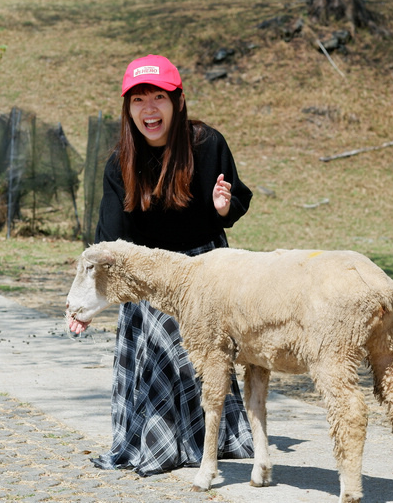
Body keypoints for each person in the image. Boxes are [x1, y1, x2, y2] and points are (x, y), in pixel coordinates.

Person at [69, 54, 254, 476]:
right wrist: (87, 301)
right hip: (148, 276)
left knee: (204, 354)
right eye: (138, 99)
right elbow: (110, 243)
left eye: (158, 97)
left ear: (178, 101)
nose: (148, 108)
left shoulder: (207, 145)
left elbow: (235, 200)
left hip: (203, 272)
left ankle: (211, 438)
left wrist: (223, 208)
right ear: (127, 108)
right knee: (156, 329)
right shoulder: (120, 162)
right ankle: (157, 442)